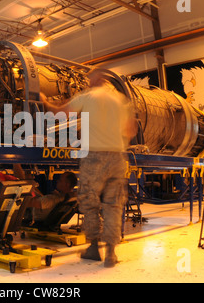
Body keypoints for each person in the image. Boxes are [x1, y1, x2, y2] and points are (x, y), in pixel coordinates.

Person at [40, 68, 137, 267]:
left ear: (96, 79)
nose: (87, 81)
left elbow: (60, 113)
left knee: (89, 202)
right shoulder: (120, 100)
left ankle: (93, 247)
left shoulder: (88, 97)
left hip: (94, 156)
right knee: (113, 205)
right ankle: (111, 253)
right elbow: (131, 129)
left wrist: (44, 101)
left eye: (89, 78)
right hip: (117, 157)